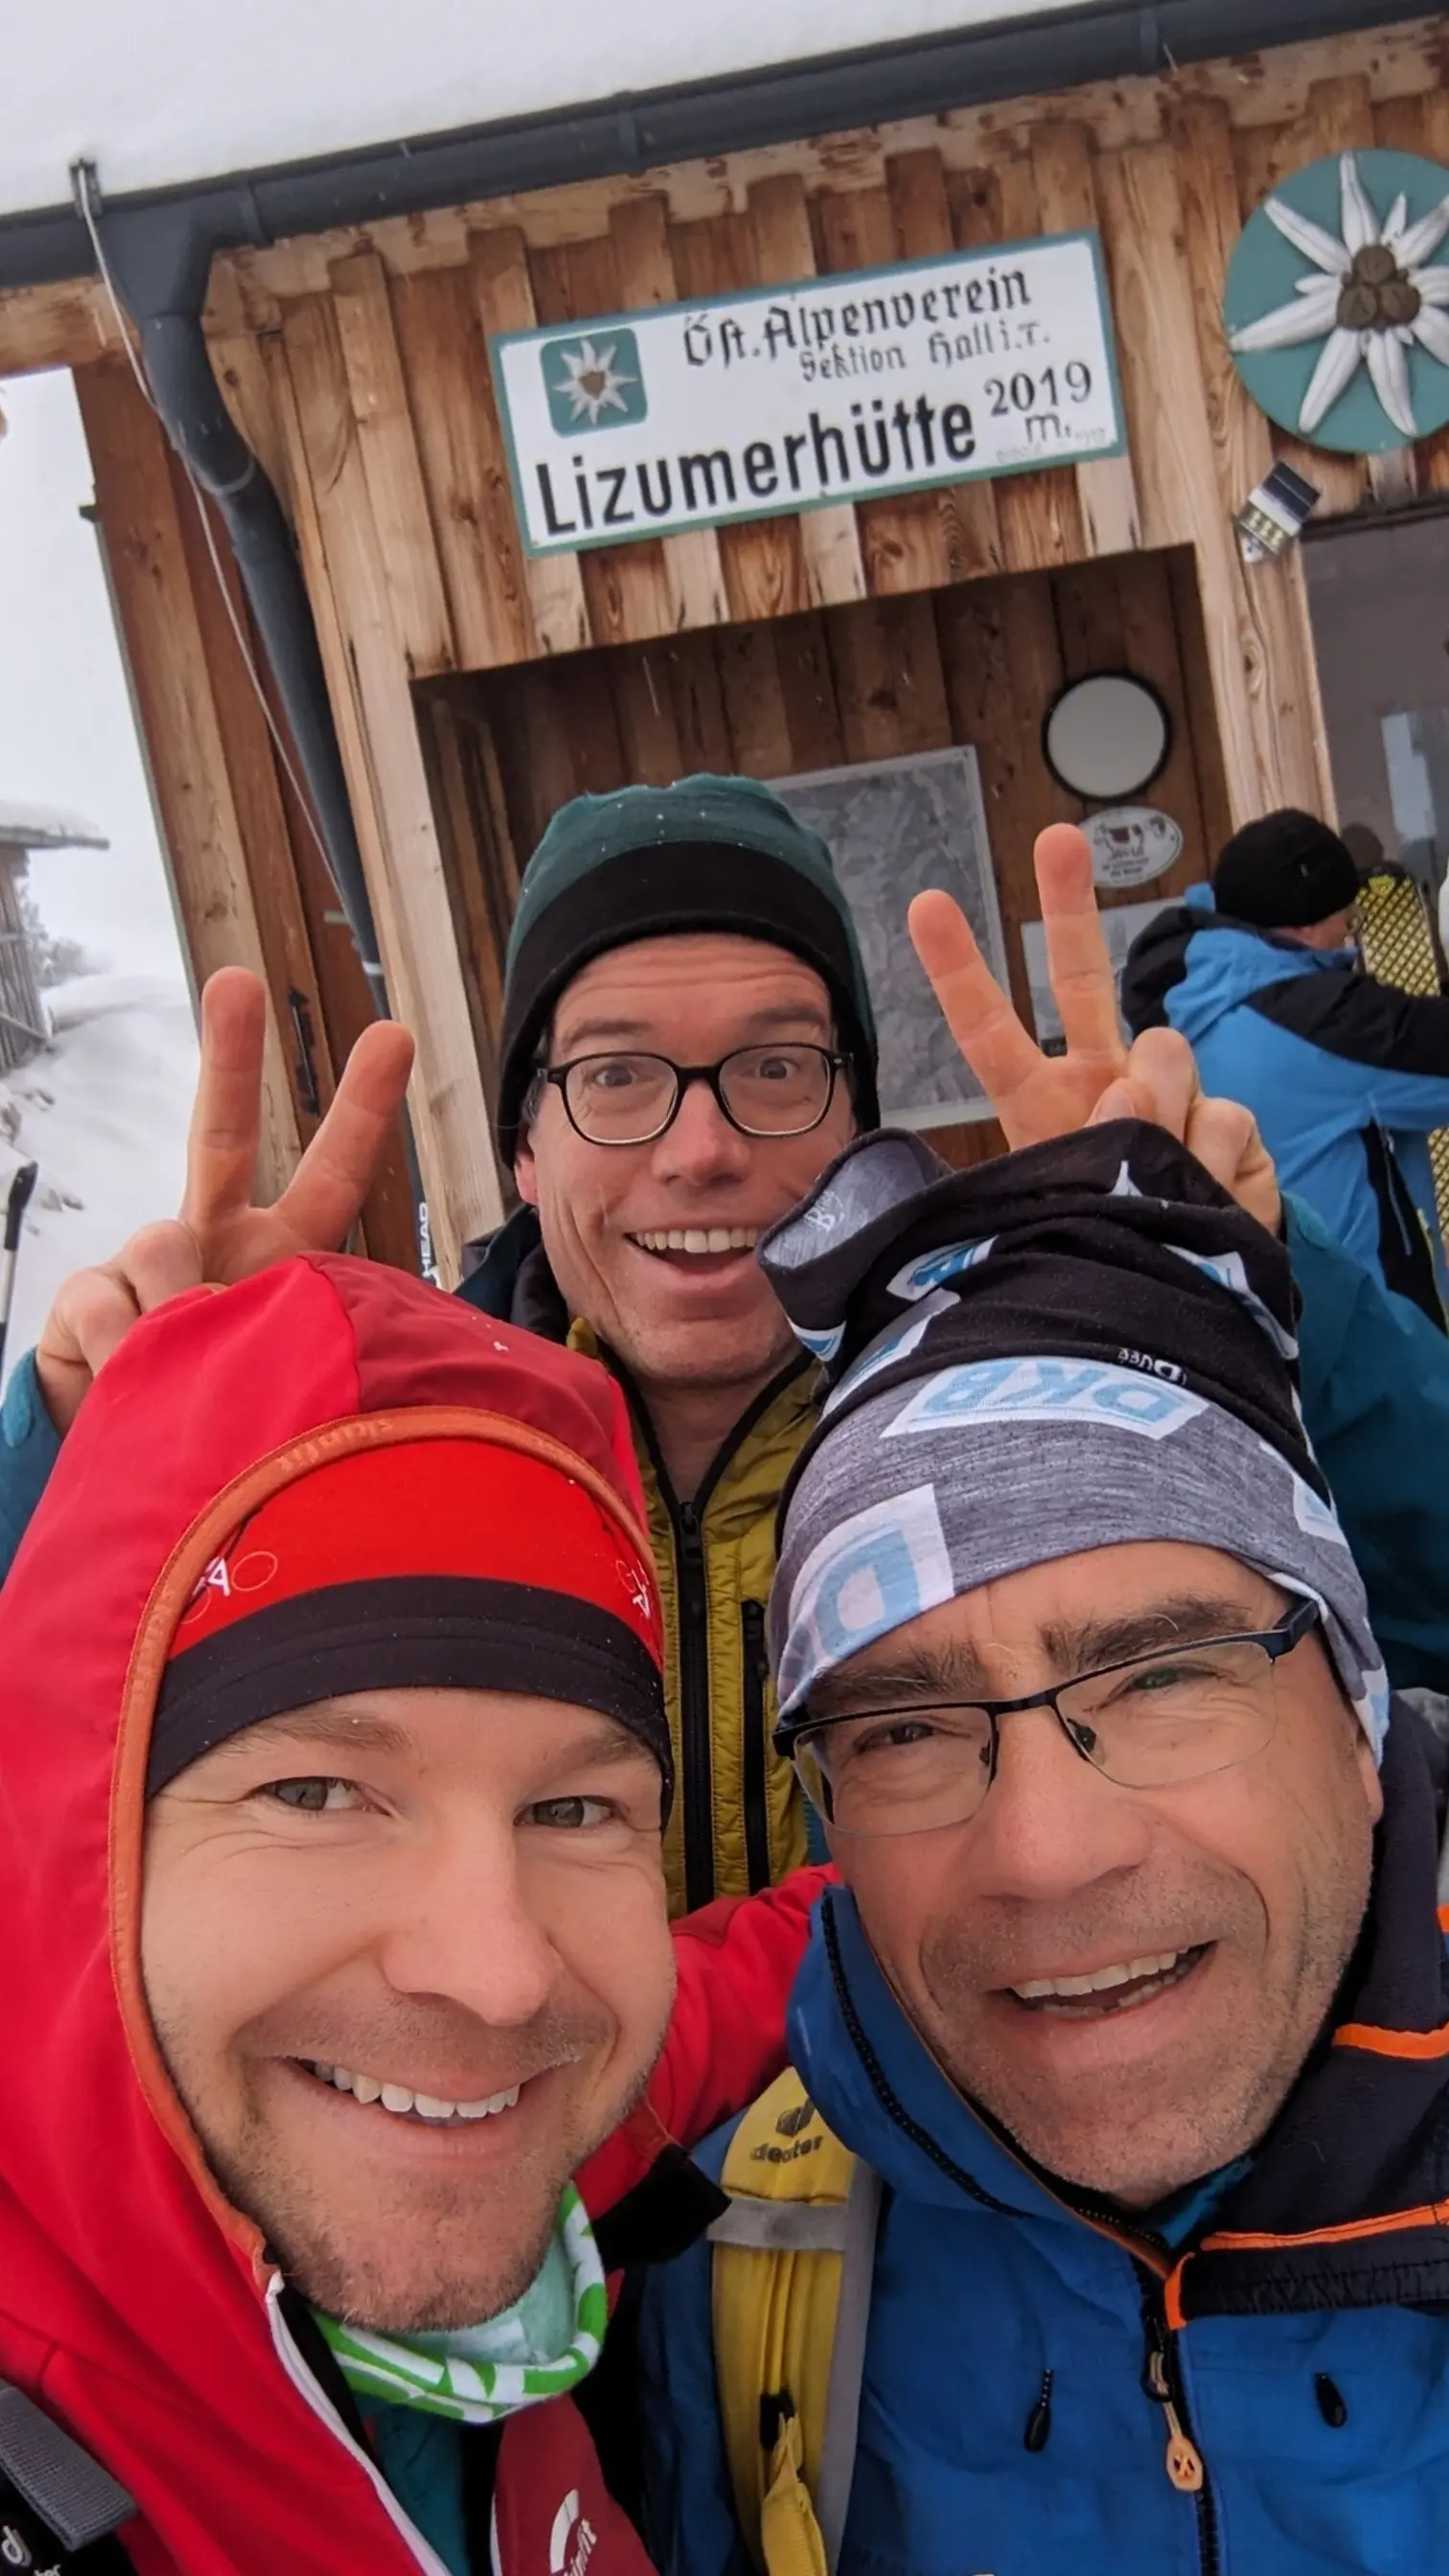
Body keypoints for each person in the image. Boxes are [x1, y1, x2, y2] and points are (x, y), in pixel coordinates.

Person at [6, 805, 1449, 1911]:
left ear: (856, 1127)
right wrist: (105, 1462)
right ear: (522, 1146)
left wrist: (1244, 1303)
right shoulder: (377, 1453)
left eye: (774, 1071)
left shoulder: (1033, 1406)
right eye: (617, 1076)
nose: (702, 1151)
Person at [641, 1114, 1449, 2576]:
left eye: (1159, 1679)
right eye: (906, 1732)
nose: (1044, 1852)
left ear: (1355, 1710)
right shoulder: (747, 2268)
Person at [0, 1246, 832, 2574]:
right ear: (76, 1845)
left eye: (573, 1813)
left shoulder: (531, 2127)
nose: (499, 1977)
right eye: (322, 1792)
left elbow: (764, 1971)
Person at [1120, 806, 1449, 1322]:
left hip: (1277, 1337)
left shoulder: (1184, 1006)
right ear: (1304, 927)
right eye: (1346, 914)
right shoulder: (1319, 1023)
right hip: (1381, 1343)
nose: (1349, 930)